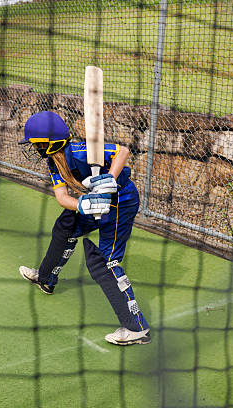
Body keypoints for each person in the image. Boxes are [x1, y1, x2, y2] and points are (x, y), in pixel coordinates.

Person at [18, 111, 151, 346]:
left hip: (121, 201)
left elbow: (122, 152)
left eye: (37, 144)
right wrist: (81, 204)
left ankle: (136, 328)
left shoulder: (82, 151)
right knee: (66, 226)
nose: (34, 148)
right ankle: (46, 278)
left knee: (105, 262)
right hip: (94, 201)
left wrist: (109, 178)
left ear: (49, 143)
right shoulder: (54, 162)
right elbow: (62, 197)